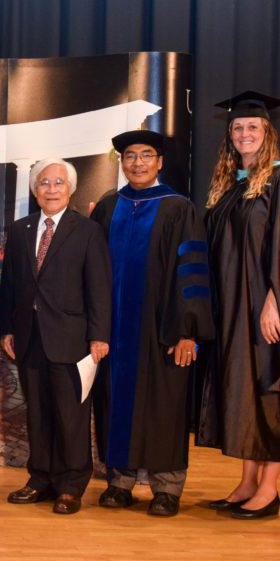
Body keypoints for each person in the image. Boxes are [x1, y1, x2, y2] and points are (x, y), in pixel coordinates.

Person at [197, 91, 280, 520]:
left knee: (268, 392)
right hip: (234, 307)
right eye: (237, 128)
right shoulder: (232, 185)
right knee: (244, 393)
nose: (244, 133)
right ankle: (247, 481)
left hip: (263, 307)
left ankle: (269, 489)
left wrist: (275, 302)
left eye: (253, 127)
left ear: (267, 132)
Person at [89, 130, 214, 517]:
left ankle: (167, 486)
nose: (138, 163)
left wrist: (188, 331)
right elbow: (92, 274)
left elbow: (191, 273)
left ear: (160, 162)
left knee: (166, 405)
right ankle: (120, 481)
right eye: (130, 156)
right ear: (122, 163)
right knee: (112, 402)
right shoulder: (108, 208)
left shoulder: (179, 208)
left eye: (146, 155)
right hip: (115, 332)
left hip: (164, 330)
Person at [0, 158, 111, 515]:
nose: (51, 189)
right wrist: (6, 329)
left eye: (58, 183)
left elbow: (100, 287)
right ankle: (40, 479)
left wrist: (99, 336)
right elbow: (11, 286)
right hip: (30, 339)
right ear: (35, 189)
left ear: (71, 189)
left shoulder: (88, 231)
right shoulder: (20, 230)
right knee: (38, 414)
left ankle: (71, 484)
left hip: (73, 340)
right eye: (44, 183)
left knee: (72, 415)